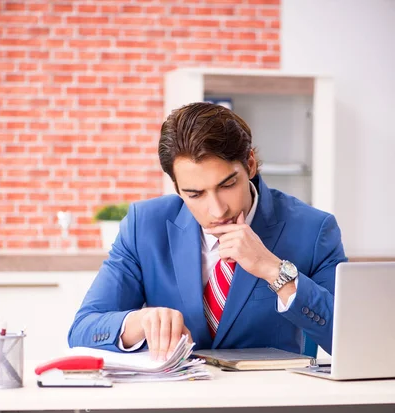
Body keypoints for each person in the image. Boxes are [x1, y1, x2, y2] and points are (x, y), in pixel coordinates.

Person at [68, 102, 347, 360]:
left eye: (227, 185)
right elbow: (83, 329)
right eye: (195, 194)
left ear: (249, 164)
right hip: (176, 404)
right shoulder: (145, 226)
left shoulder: (313, 229)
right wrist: (140, 322)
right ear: (177, 188)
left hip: (270, 403)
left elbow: (347, 340)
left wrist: (274, 270)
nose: (217, 210)